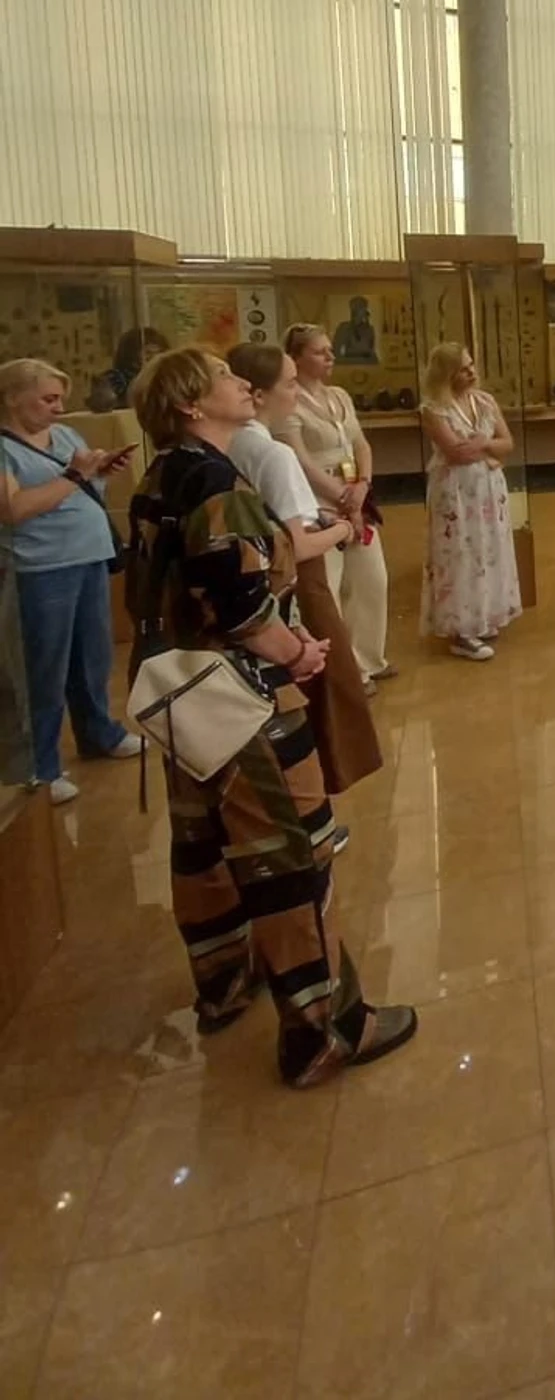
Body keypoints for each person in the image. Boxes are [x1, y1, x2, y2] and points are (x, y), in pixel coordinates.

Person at [127, 347, 416, 1085]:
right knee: (290, 851)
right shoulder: (216, 482)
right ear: (192, 405)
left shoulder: (161, 476)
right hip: (242, 693)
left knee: (204, 841)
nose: (242, 384)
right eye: (225, 378)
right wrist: (297, 653)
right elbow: (243, 604)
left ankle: (225, 978)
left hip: (183, 691)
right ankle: (326, 1029)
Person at [226, 343, 382, 807]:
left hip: (259, 580)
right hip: (290, 581)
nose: (295, 393)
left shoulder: (232, 443)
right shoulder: (271, 452)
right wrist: (341, 527)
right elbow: (295, 543)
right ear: (257, 394)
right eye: (289, 384)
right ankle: (311, 802)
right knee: (321, 691)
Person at [0, 357, 144, 804]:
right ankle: (39, 766)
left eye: (60, 399)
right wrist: (76, 474)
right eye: (48, 399)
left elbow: (82, 492)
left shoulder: (65, 436)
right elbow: (13, 509)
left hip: (89, 554)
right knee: (43, 669)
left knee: (93, 657)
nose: (59, 408)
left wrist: (98, 475)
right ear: (12, 398)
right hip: (40, 567)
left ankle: (99, 732)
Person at [279, 325, 394, 692]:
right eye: (319, 351)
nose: (330, 357)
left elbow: (361, 444)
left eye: (330, 350)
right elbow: (300, 459)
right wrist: (341, 496)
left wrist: (362, 486)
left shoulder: (339, 396)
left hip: (354, 491)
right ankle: (347, 670)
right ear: (296, 358)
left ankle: (370, 658)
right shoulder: (290, 403)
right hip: (318, 500)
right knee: (331, 584)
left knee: (371, 579)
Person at [419, 342, 523, 661]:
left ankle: (482, 615)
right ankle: (460, 629)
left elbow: (508, 443)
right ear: (447, 374)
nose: (471, 373)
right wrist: (489, 448)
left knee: (487, 550)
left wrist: (484, 444)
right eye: (463, 369)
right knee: (458, 553)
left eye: (471, 366)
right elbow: (456, 452)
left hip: (489, 489)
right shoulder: (434, 409)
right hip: (456, 491)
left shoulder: (485, 401)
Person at [87, 327, 168, 414]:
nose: (154, 358)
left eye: (158, 353)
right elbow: (101, 406)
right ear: (131, 354)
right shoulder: (115, 379)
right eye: (148, 353)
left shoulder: (166, 379)